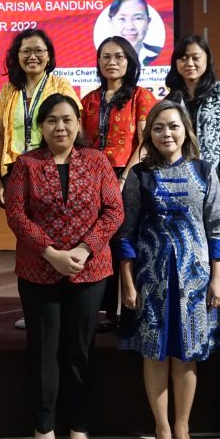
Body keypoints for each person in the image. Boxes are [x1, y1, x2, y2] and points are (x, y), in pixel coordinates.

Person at [5, 94, 124, 439]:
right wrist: (51, 253)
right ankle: (44, 426)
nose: (60, 126)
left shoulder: (97, 161)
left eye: (68, 119)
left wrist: (84, 249)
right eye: (52, 120)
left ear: (78, 124)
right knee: (44, 351)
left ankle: (79, 425)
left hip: (90, 271)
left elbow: (113, 210)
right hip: (38, 270)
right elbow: (16, 215)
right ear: (41, 126)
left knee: (80, 351)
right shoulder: (25, 164)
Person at [117, 100, 220, 439]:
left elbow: (217, 226)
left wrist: (218, 279)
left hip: (195, 280)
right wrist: (127, 282)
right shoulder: (139, 176)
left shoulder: (203, 170)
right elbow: (126, 233)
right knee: (154, 354)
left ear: (186, 131)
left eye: (173, 126)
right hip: (151, 278)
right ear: (149, 133)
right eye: (159, 127)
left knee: (187, 355)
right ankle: (162, 428)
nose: (167, 133)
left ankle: (183, 427)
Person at [0, 28, 80, 329]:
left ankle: (63, 304)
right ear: (16, 57)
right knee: (27, 240)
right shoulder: (8, 91)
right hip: (17, 171)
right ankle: (32, 309)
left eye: (39, 50)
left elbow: (72, 128)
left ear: (48, 55)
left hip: (52, 167)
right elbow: (0, 135)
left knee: (57, 233)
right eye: (25, 51)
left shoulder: (60, 85)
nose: (32, 56)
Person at [164, 34, 220, 350]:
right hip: (182, 183)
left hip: (216, 182)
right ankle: (190, 312)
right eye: (183, 58)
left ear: (207, 60)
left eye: (196, 57)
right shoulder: (173, 97)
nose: (190, 63)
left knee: (216, 245)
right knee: (189, 246)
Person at [81, 36, 158, 334]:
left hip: (130, 175)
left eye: (118, 57)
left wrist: (125, 176)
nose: (111, 62)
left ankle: (130, 310)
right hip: (92, 176)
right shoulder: (88, 99)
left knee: (125, 240)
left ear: (130, 62)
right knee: (99, 241)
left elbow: (145, 141)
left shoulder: (141, 96)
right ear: (98, 62)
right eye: (105, 57)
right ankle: (105, 312)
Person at [108, 0, 161, 66]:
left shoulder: (161, 53)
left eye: (138, 18)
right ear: (111, 23)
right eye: (122, 19)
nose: (130, 27)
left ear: (148, 22)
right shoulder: (101, 57)